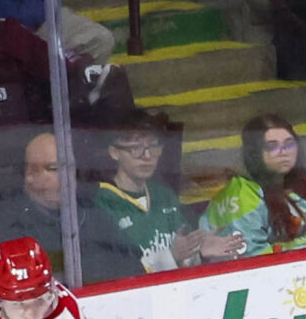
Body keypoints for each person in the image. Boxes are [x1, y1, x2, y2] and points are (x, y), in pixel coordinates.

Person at [83, 112, 225, 279]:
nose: (147, 156)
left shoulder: (164, 195)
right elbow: (110, 273)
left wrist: (199, 251)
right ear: (114, 152)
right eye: (136, 148)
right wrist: (170, 256)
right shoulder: (100, 203)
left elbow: (185, 254)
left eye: (153, 146)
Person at [202, 115, 306, 256]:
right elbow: (252, 258)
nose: (283, 152)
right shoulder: (243, 193)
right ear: (255, 153)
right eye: (272, 147)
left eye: (289, 144)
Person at [1, 132, 68, 251]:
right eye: (54, 168)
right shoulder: (10, 227)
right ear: (29, 175)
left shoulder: (94, 217)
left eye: (68, 167)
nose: (65, 175)